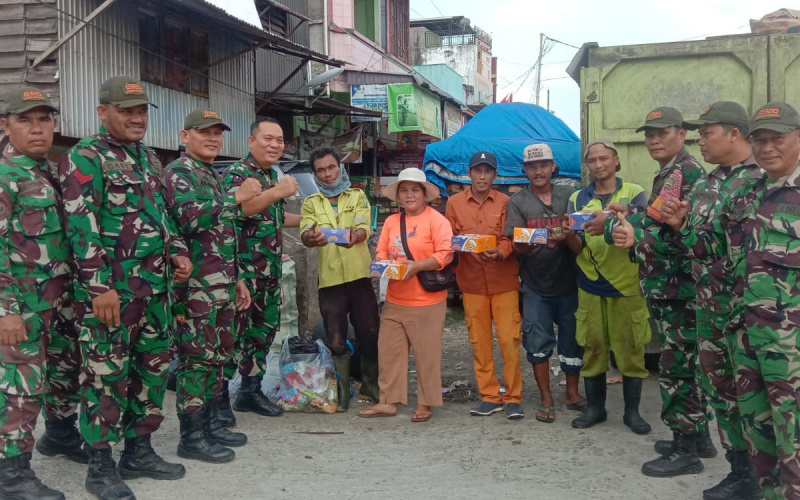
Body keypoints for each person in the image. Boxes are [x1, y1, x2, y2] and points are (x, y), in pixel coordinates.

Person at [58, 76, 190, 499]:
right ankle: (100, 466)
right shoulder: (85, 156)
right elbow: (81, 226)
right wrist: (99, 289)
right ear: (103, 112)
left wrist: (179, 251)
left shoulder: (148, 158)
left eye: (141, 110)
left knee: (150, 372)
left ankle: (140, 450)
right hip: (112, 297)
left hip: (155, 291)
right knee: (105, 377)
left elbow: (163, 214)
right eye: (126, 110)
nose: (136, 118)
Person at [662, 101, 800, 500]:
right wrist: (679, 226)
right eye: (762, 139)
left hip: (789, 342)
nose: (768, 147)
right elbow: (716, 250)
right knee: (760, 433)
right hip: (743, 331)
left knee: (791, 433)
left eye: (778, 139)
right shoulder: (746, 194)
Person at [605, 106, 714, 478]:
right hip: (673, 285)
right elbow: (656, 219)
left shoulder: (683, 173)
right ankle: (698, 437)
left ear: (682, 134)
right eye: (649, 133)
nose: (653, 139)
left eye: (662, 132)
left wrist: (625, 231)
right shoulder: (672, 172)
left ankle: (686, 448)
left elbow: (667, 233)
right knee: (685, 363)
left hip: (678, 285)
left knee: (678, 367)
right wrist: (631, 213)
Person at [0, 86, 81, 500]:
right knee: (22, 385)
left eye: (44, 119)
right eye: (25, 120)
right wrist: (5, 310)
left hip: (60, 303)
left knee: (65, 373)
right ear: (5, 125)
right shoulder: (4, 176)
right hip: (23, 306)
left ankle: (61, 436)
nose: (37, 129)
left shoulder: (50, 171)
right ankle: (11, 474)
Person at [164, 109, 257, 463]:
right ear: (185, 136)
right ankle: (191, 434)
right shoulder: (179, 173)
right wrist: (235, 197)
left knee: (219, 356)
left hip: (222, 283)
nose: (213, 138)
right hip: (196, 287)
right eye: (204, 132)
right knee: (196, 360)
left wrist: (238, 279)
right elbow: (189, 218)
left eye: (218, 132)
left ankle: (211, 424)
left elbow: (225, 232)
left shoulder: (211, 175)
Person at [567, 140, 651, 434]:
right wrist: (566, 236)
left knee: (631, 349)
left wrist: (610, 221)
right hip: (589, 283)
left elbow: (644, 227)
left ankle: (632, 413)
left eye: (604, 158)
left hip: (627, 285)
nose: (598, 164)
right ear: (587, 165)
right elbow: (576, 246)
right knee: (592, 348)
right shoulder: (577, 199)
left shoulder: (634, 193)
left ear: (616, 161)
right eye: (592, 160)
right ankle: (595, 409)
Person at [358, 167, 453, 422]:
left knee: (427, 355)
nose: (409, 195)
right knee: (389, 352)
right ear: (398, 196)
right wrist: (386, 265)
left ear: (424, 194)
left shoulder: (437, 221)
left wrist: (418, 266)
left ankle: (425, 402)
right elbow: (381, 253)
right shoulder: (391, 222)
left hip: (427, 302)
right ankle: (388, 401)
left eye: (415, 190)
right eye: (404, 190)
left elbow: (445, 254)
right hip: (395, 300)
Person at [222, 117, 299, 420]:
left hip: (269, 272)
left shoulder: (271, 176)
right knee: (234, 334)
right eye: (268, 139)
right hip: (242, 272)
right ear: (251, 141)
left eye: (279, 140)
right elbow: (239, 211)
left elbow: (277, 217)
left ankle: (249, 392)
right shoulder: (238, 174)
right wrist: (278, 192)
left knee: (262, 333)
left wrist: (318, 221)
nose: (275, 145)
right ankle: (217, 401)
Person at [504, 143, 584, 424]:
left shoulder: (570, 196)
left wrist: (566, 237)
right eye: (532, 166)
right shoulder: (518, 202)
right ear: (525, 170)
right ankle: (546, 397)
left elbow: (580, 243)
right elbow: (517, 247)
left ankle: (572, 393)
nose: (538, 171)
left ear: (553, 167)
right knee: (537, 341)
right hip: (535, 284)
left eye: (543, 165)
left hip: (570, 282)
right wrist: (534, 240)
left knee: (573, 340)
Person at [299, 146, 379, 412]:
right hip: (330, 281)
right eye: (321, 170)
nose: (328, 174)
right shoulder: (311, 203)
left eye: (331, 167)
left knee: (369, 332)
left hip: (360, 276)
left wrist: (354, 236)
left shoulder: (357, 196)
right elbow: (305, 233)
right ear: (316, 174)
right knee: (335, 338)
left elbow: (363, 225)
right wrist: (310, 238)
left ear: (340, 167)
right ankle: (342, 395)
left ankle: (371, 388)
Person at [445, 151, 524, 419]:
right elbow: (450, 237)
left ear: (494, 175)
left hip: (503, 281)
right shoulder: (454, 203)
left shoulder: (506, 202)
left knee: (509, 341)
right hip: (471, 283)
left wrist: (500, 252)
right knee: (479, 342)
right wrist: (462, 243)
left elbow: (510, 236)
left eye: (487, 171)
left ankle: (514, 397)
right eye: (477, 171)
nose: (481, 176)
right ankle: (490, 397)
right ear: (469, 174)